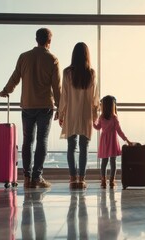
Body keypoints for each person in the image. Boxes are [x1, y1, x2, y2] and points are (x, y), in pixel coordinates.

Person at [0, 28, 61, 189]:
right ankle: (37, 177)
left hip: (27, 105)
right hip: (45, 106)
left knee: (28, 141)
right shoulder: (52, 59)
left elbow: (15, 77)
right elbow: (57, 87)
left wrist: (6, 90)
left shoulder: (24, 57)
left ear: (36, 39)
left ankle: (26, 177)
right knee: (42, 141)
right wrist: (60, 107)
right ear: (49, 41)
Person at [57, 42, 99, 189]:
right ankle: (82, 180)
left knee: (71, 147)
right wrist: (95, 115)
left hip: (71, 114)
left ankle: (72, 178)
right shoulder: (91, 73)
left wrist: (61, 113)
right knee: (84, 148)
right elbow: (95, 97)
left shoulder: (67, 72)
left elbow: (65, 96)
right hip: (86, 115)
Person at [93, 95, 131, 188]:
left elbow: (97, 127)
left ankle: (103, 181)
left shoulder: (101, 117)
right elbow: (119, 131)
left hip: (104, 141)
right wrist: (127, 140)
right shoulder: (114, 117)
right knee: (113, 162)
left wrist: (93, 121)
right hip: (112, 141)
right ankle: (111, 181)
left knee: (104, 162)